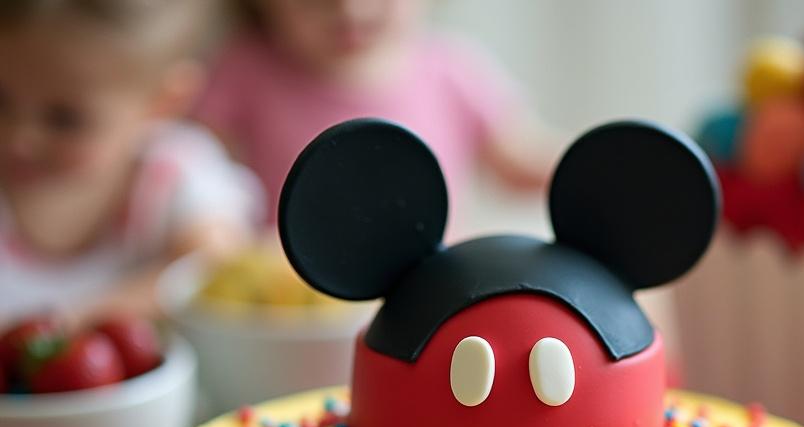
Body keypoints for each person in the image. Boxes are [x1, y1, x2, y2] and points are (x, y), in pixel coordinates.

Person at [0, 0, 262, 327]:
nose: (19, 139)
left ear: (162, 102)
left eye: (64, 120)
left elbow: (213, 264)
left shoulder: (174, 171)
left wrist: (59, 328)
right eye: (1, 100)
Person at [196, 0, 555, 229]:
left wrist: (592, 168)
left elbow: (519, 162)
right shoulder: (244, 70)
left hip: (430, 293)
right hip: (294, 307)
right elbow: (194, 164)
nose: (350, 10)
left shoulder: (451, 69)